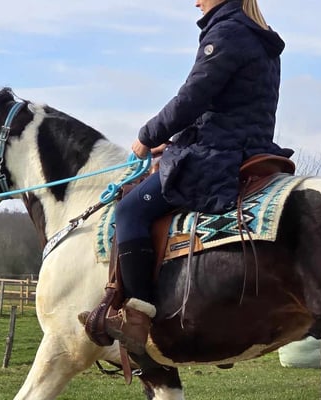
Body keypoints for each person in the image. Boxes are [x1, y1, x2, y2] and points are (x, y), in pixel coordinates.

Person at [92, 0, 293, 355]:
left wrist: (147, 137)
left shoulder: (227, 32)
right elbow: (227, 109)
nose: (195, 1)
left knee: (129, 212)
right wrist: (174, 143)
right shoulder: (258, 37)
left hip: (219, 155)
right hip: (248, 147)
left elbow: (191, 99)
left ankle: (137, 316)